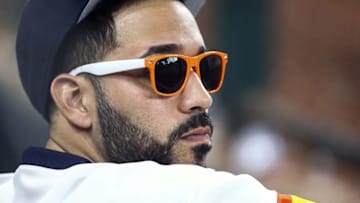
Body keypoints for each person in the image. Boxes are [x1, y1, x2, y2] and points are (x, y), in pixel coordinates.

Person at [0, 0, 313, 202]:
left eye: (206, 69)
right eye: (168, 71)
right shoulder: (183, 193)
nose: (202, 99)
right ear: (76, 99)